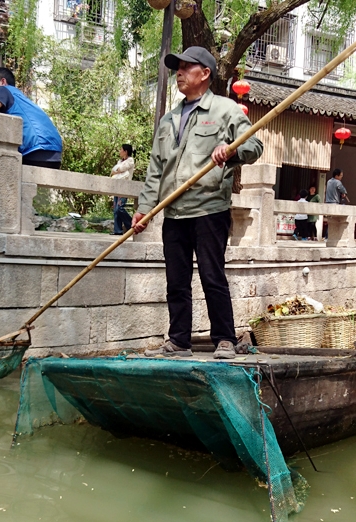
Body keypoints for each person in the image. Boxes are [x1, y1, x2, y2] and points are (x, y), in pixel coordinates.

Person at [131, 46, 263, 360]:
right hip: (174, 211)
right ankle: (178, 340)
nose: (179, 72)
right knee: (176, 280)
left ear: (204, 74)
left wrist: (230, 150)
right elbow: (155, 170)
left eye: (186, 67)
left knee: (211, 275)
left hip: (209, 209)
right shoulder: (168, 120)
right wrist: (145, 208)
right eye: (177, 68)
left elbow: (255, 146)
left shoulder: (226, 110)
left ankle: (224, 340)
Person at [0, 67, 63, 169]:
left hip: (35, 149)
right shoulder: (18, 97)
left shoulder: (3, 90)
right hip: (53, 153)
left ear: (3, 81)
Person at [110, 143, 135, 235]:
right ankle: (117, 230)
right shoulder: (119, 161)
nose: (120, 151)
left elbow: (121, 169)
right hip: (117, 186)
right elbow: (113, 171)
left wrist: (116, 170)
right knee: (115, 208)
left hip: (125, 187)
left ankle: (131, 224)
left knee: (120, 208)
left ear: (125, 151)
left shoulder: (130, 160)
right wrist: (116, 170)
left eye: (121, 149)